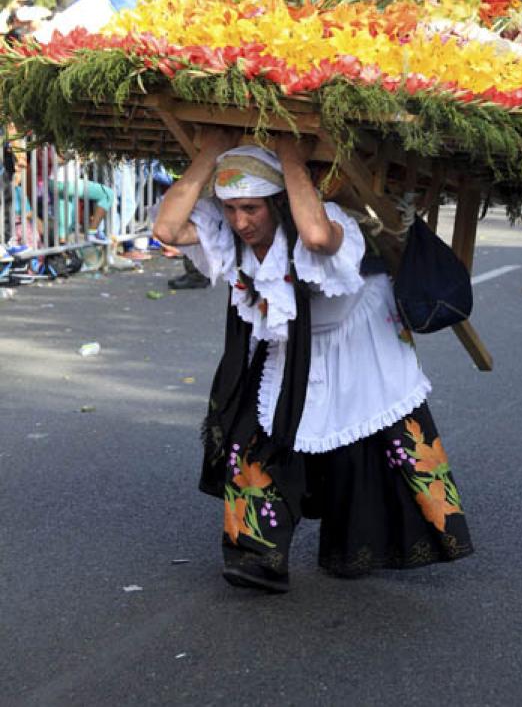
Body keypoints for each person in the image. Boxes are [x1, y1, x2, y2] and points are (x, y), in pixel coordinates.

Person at [153, 129, 473, 593]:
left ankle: (376, 546)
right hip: (289, 344)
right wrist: (210, 150)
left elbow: (319, 236)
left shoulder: (326, 220)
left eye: (252, 208)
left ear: (280, 202)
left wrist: (289, 154)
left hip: (360, 339)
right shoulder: (227, 235)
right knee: (255, 435)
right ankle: (257, 555)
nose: (240, 222)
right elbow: (166, 229)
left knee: (383, 441)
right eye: (230, 208)